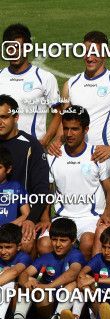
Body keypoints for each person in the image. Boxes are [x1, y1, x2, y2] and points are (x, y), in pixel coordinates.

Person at [44, 106, 110, 259]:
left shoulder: (98, 155)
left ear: (86, 129)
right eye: (66, 129)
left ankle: (82, 279)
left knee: (88, 243)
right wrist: (45, 218)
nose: (69, 134)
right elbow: (47, 191)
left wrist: (107, 212)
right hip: (61, 218)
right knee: (44, 244)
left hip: (90, 218)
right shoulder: (53, 156)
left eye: (75, 129)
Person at [51, 30, 110, 164]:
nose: (90, 58)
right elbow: (64, 121)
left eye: (95, 53)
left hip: (105, 157)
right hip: (76, 157)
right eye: (86, 52)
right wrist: (57, 141)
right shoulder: (70, 85)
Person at [4, 218, 86, 319]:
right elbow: (25, 273)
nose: (57, 244)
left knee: (73, 283)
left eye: (63, 240)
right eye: (54, 240)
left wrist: (48, 286)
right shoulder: (46, 257)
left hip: (69, 304)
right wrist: (25, 282)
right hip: (47, 304)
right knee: (30, 280)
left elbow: (73, 272)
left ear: (73, 241)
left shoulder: (76, 255)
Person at [0, 94, 49, 254]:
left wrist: (30, 219)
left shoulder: (31, 145)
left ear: (16, 117)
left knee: (26, 242)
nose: (0, 122)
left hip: (23, 214)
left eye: (4, 117)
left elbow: (42, 188)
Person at [0, 23, 61, 146]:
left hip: (31, 149)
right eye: (10, 48)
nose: (15, 52)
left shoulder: (45, 78)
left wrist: (44, 141)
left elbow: (58, 113)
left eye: (19, 48)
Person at [59, 225, 110, 319]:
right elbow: (83, 271)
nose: (106, 251)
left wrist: (95, 280)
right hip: (97, 303)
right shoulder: (99, 258)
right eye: (104, 247)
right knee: (82, 283)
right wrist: (84, 280)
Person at [0, 223, 32, 319]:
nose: (3, 251)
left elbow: (14, 272)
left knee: (9, 278)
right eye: (0, 247)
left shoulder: (24, 257)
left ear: (18, 246)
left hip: (14, 300)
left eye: (8, 247)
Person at [0, 147, 29, 225]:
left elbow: (26, 214)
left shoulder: (15, 187)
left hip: (8, 234)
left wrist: (7, 228)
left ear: (8, 169)